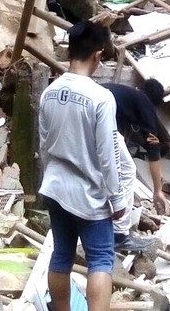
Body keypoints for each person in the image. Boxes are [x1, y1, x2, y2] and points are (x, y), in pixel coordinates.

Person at [39, 22, 127, 311]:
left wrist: (47, 181)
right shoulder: (101, 98)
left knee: (61, 255)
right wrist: (117, 198)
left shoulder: (48, 93)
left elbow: (43, 146)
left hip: (55, 187)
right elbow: (108, 154)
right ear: (98, 55)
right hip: (89, 194)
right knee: (101, 259)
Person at [102, 79, 168, 252]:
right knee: (127, 170)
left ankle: (98, 223)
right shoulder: (144, 103)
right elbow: (153, 150)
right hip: (100, 121)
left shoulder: (125, 95)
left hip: (82, 115)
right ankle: (120, 235)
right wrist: (157, 190)